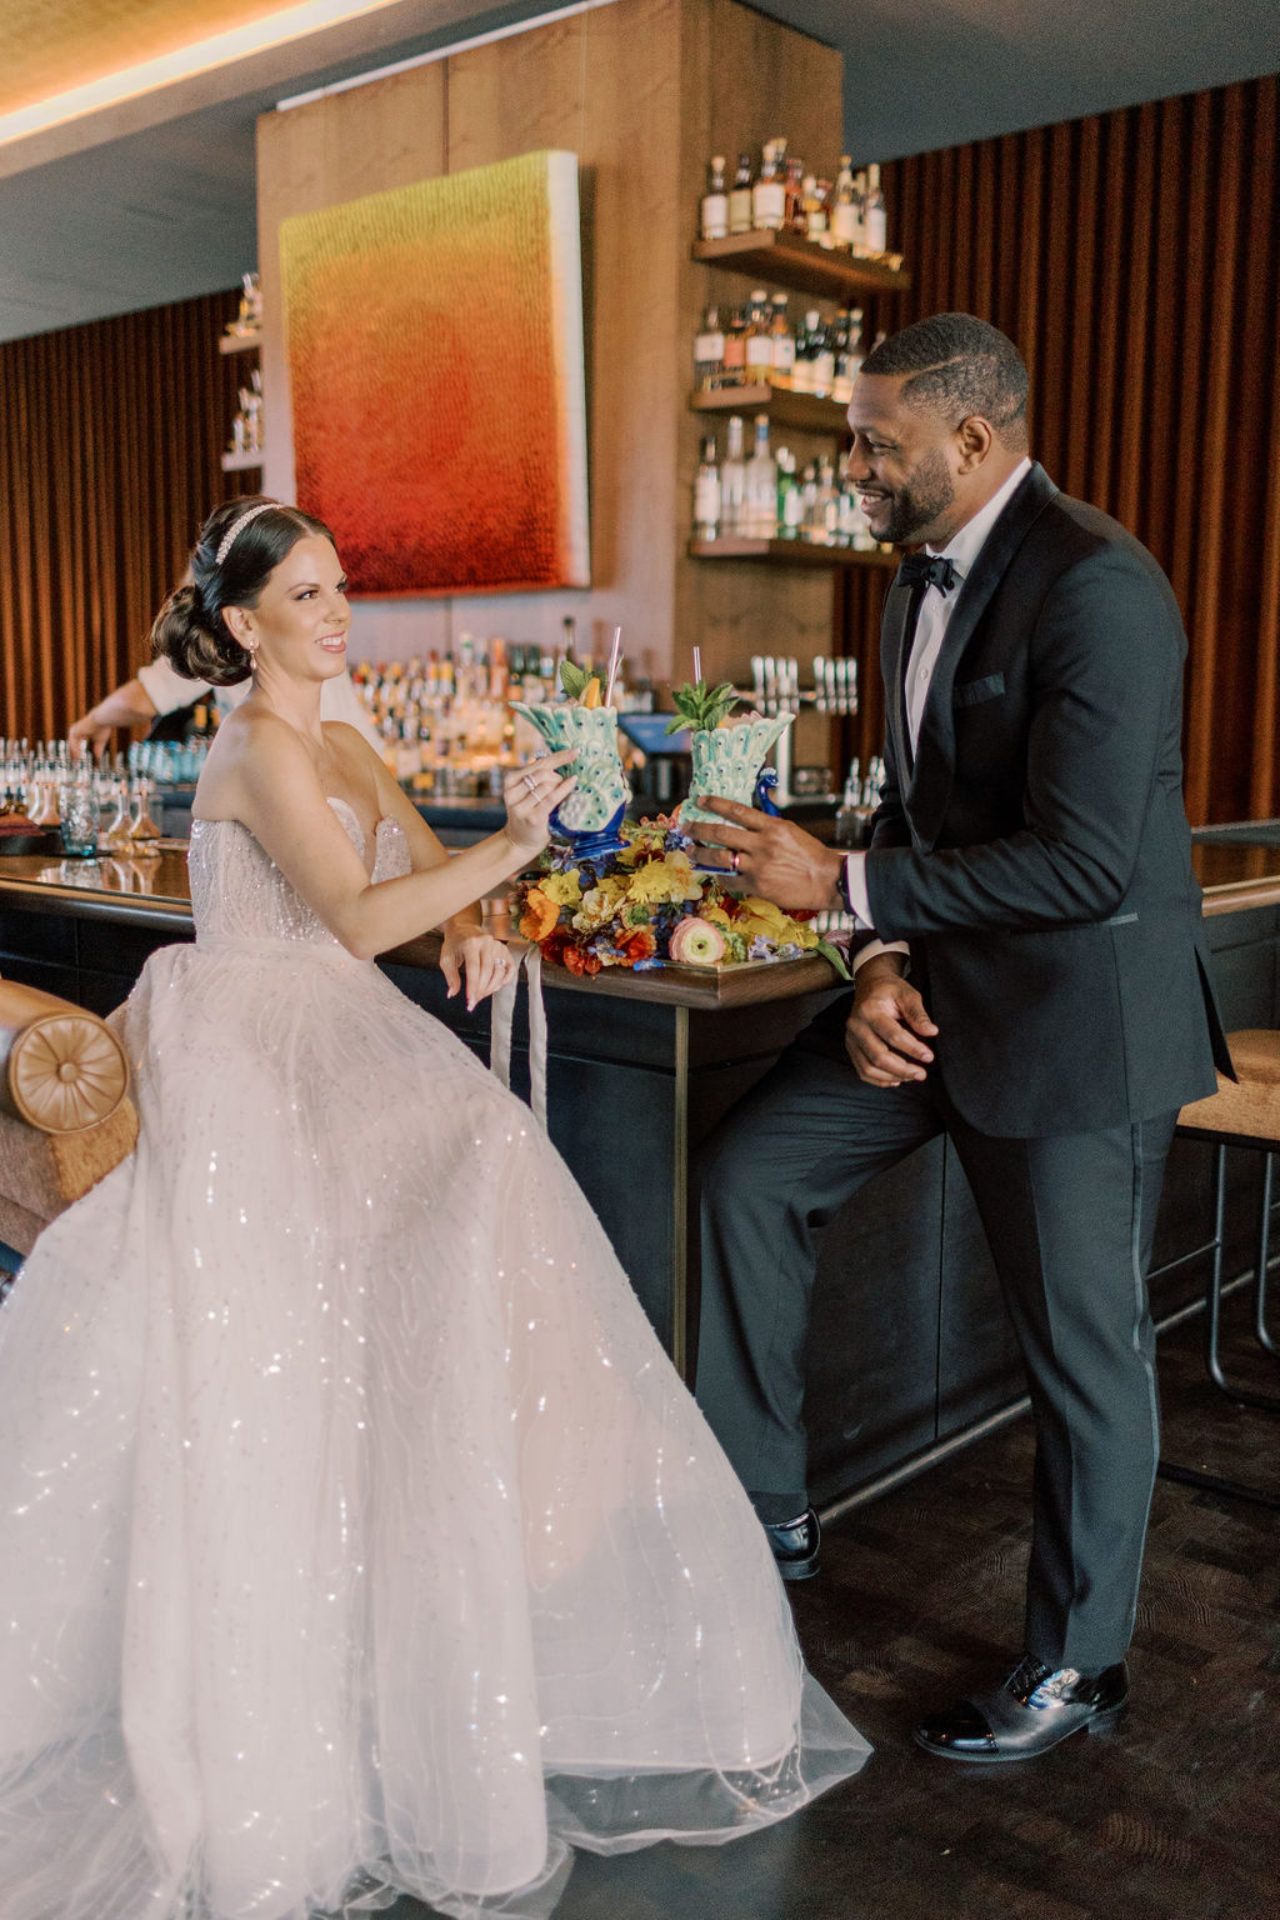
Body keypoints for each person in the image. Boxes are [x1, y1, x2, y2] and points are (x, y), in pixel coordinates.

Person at [0, 499, 868, 1920]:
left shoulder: (342, 738)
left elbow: (408, 873)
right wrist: (515, 851)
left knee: (485, 1166)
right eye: (309, 596)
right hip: (254, 1053)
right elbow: (349, 919)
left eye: (345, 590)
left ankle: (484, 1578)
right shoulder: (252, 749)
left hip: (339, 1039)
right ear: (241, 626)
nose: (340, 615)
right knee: (421, 1211)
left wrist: (469, 924)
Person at [690, 313, 1231, 1764]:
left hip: (1071, 1036)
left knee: (1082, 1359)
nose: (853, 466)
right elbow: (919, 811)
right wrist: (872, 962)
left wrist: (841, 887)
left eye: (877, 444)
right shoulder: (909, 585)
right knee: (749, 1174)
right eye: (854, 439)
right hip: (929, 1005)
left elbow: (1084, 866)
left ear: (974, 442)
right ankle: (767, 1503)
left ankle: (1079, 1666)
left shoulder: (1099, 586)